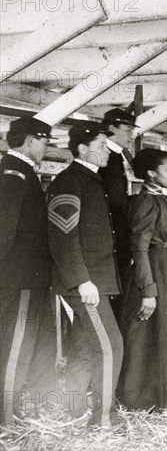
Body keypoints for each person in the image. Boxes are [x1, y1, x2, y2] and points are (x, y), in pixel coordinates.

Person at [46, 120, 123, 428]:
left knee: (84, 347)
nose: (107, 151)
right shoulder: (69, 181)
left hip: (94, 281)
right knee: (110, 345)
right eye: (102, 146)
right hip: (86, 283)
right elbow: (62, 237)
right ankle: (104, 419)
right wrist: (82, 280)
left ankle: (74, 409)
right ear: (82, 149)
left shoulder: (89, 179)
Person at [116, 148, 167, 416]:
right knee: (157, 335)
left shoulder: (161, 199)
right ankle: (157, 399)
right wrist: (148, 291)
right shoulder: (145, 202)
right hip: (155, 272)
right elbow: (139, 248)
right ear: (152, 173)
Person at [0, 117, 58, 425]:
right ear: (31, 140)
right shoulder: (14, 174)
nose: (46, 148)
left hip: (26, 277)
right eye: (45, 142)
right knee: (15, 345)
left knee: (20, 343)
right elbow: (4, 231)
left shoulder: (21, 171)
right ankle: (4, 417)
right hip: (19, 277)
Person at [99, 108, 138, 321]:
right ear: (111, 128)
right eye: (127, 129)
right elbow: (113, 203)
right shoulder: (108, 160)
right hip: (111, 243)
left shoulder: (115, 157)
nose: (131, 135)